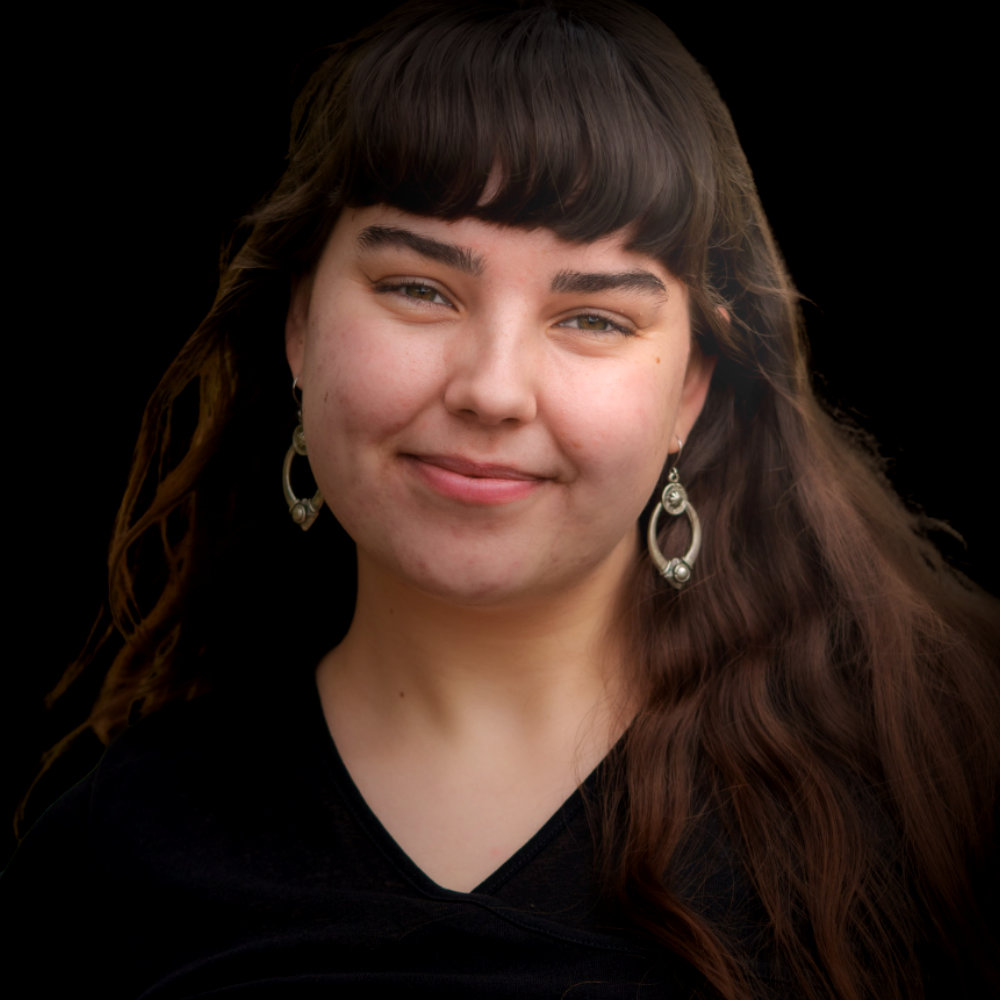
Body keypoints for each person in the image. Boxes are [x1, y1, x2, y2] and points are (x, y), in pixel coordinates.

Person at [4, 2, 997, 997]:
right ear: (301, 325)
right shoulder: (111, 855)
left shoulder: (946, 793)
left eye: (594, 317)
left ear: (688, 391)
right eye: (420, 290)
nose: (490, 387)